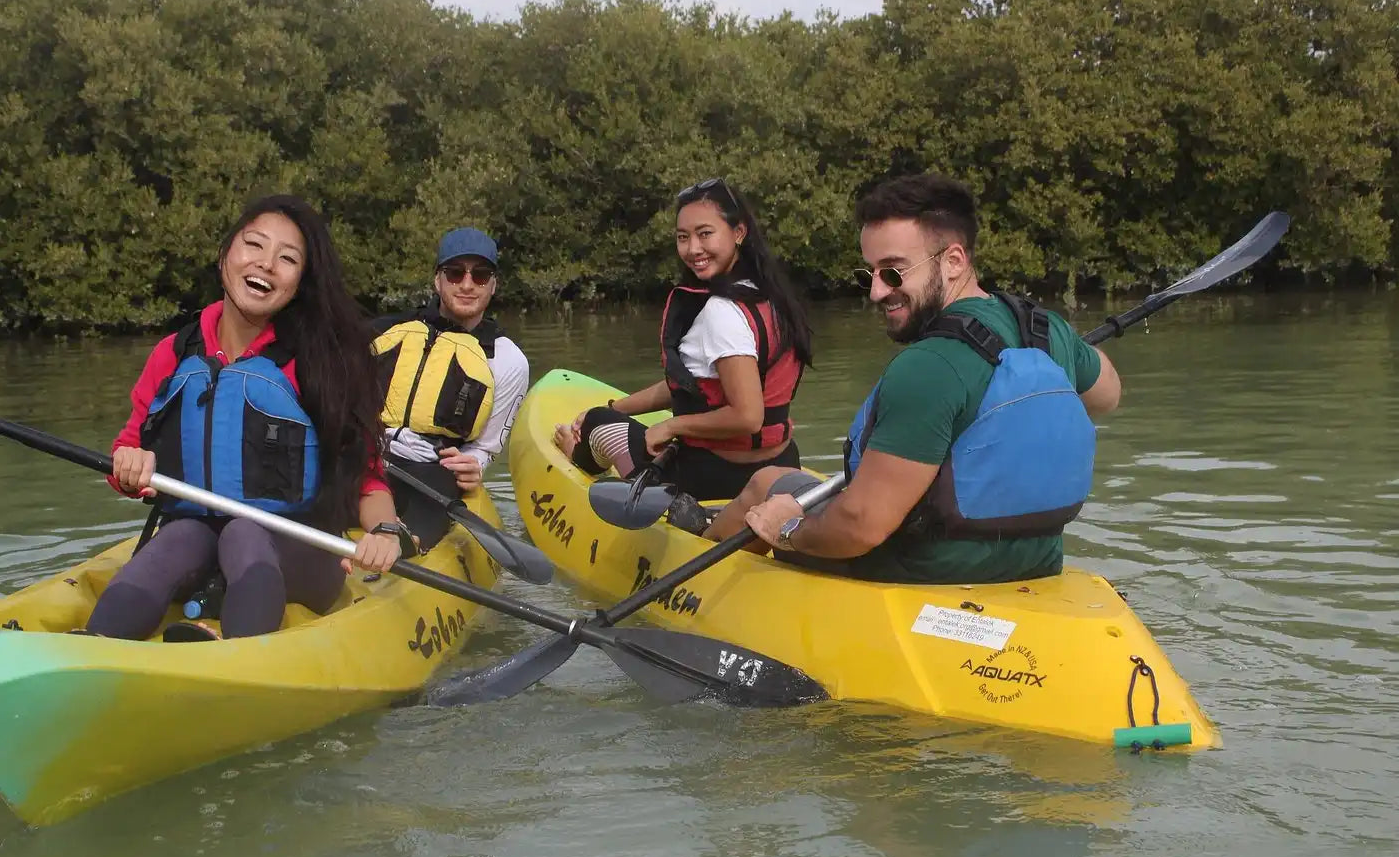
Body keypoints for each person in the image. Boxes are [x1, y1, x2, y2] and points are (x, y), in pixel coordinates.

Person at [705, 172, 1122, 584]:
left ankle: (692, 584)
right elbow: (1107, 394)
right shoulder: (1048, 332)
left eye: (893, 272)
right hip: (1034, 563)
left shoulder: (929, 366)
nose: (875, 292)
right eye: (868, 274)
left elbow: (860, 527)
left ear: (954, 261)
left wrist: (788, 530)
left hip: (920, 570)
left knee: (768, 485)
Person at [86, 194, 411, 641]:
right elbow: (128, 448)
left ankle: (240, 659)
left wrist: (386, 533)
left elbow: (366, 475)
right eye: (254, 245)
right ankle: (93, 650)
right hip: (198, 535)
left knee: (242, 531)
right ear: (225, 256)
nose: (266, 264)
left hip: (302, 548)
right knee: (178, 537)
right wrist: (128, 467)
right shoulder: (176, 354)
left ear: (300, 282)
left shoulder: (319, 363)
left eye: (287, 258)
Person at [552, 177, 814, 513]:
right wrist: (619, 406)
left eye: (705, 234)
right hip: (781, 462)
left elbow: (748, 417)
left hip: (716, 477)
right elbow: (693, 385)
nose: (693, 249)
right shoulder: (772, 296)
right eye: (682, 237)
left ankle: (577, 455)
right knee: (611, 414)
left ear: (738, 232)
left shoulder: (723, 312)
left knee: (597, 423)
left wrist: (670, 425)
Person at [371, 227, 530, 550]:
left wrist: (475, 466)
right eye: (455, 273)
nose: (467, 285)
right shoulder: (389, 332)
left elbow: (485, 448)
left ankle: (407, 544)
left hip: (431, 469)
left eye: (481, 275)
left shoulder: (508, 361)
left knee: (432, 504)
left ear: (493, 285)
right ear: (437, 280)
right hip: (368, 455)